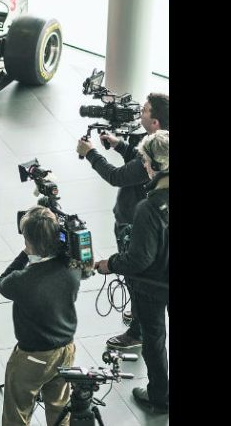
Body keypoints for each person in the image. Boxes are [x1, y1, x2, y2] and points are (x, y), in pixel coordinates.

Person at [76, 92, 168, 350]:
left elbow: (116, 176)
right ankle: (139, 315)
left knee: (135, 277)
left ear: (155, 123)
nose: (140, 112)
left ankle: (137, 330)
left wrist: (91, 153)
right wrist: (119, 145)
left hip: (132, 224)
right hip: (138, 223)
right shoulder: (161, 147)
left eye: (146, 110)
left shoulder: (151, 161)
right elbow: (137, 161)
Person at [95, 130, 169, 414]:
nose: (144, 165)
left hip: (152, 286)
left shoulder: (149, 208)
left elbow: (139, 259)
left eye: (145, 161)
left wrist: (109, 264)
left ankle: (159, 397)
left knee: (154, 341)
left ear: (155, 165)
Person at [0, 206, 81, 426]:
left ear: (28, 240)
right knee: (60, 409)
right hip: (66, 351)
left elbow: (2, 282)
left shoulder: (24, 280)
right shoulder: (72, 267)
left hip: (33, 357)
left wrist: (25, 253)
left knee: (17, 411)